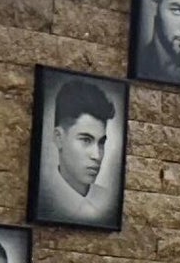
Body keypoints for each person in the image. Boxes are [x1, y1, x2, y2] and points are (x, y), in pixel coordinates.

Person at [37, 74, 120, 222]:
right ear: (59, 138)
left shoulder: (109, 203)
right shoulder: (44, 197)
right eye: (86, 140)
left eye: (101, 142)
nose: (97, 155)